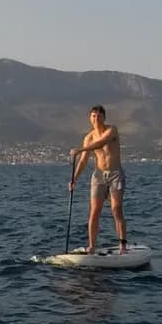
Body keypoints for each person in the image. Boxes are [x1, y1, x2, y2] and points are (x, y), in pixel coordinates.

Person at [69, 105, 127, 254]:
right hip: (98, 176)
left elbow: (101, 143)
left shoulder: (111, 130)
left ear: (104, 118)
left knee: (116, 210)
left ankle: (123, 245)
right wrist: (74, 179)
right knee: (94, 212)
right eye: (93, 116)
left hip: (115, 174)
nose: (96, 119)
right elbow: (83, 161)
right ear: (90, 118)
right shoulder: (88, 138)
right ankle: (92, 246)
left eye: (99, 116)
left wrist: (80, 149)